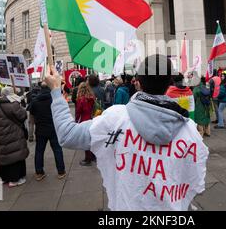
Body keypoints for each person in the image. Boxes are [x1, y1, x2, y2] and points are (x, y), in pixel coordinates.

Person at [46, 54, 208, 211]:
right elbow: (192, 179)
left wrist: (55, 90)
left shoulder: (115, 119)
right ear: (169, 82)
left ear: (139, 82)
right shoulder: (190, 131)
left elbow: (67, 134)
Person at [0, 87, 29, 187]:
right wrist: (22, 107)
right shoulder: (13, 104)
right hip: (13, 133)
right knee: (15, 155)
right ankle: (14, 179)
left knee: (5, 155)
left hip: (1, 134)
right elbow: (22, 116)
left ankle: (4, 178)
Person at [29, 83, 66, 180]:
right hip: (53, 128)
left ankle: (39, 172)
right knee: (57, 150)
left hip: (40, 130)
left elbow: (31, 115)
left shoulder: (35, 101)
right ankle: (61, 171)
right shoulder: (54, 99)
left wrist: (31, 132)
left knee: (39, 151)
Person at [75, 82, 96, 166]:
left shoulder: (81, 99)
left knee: (86, 141)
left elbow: (78, 112)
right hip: (92, 120)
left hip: (84, 121)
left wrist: (76, 121)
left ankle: (88, 159)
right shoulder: (92, 98)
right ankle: (93, 156)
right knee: (92, 140)